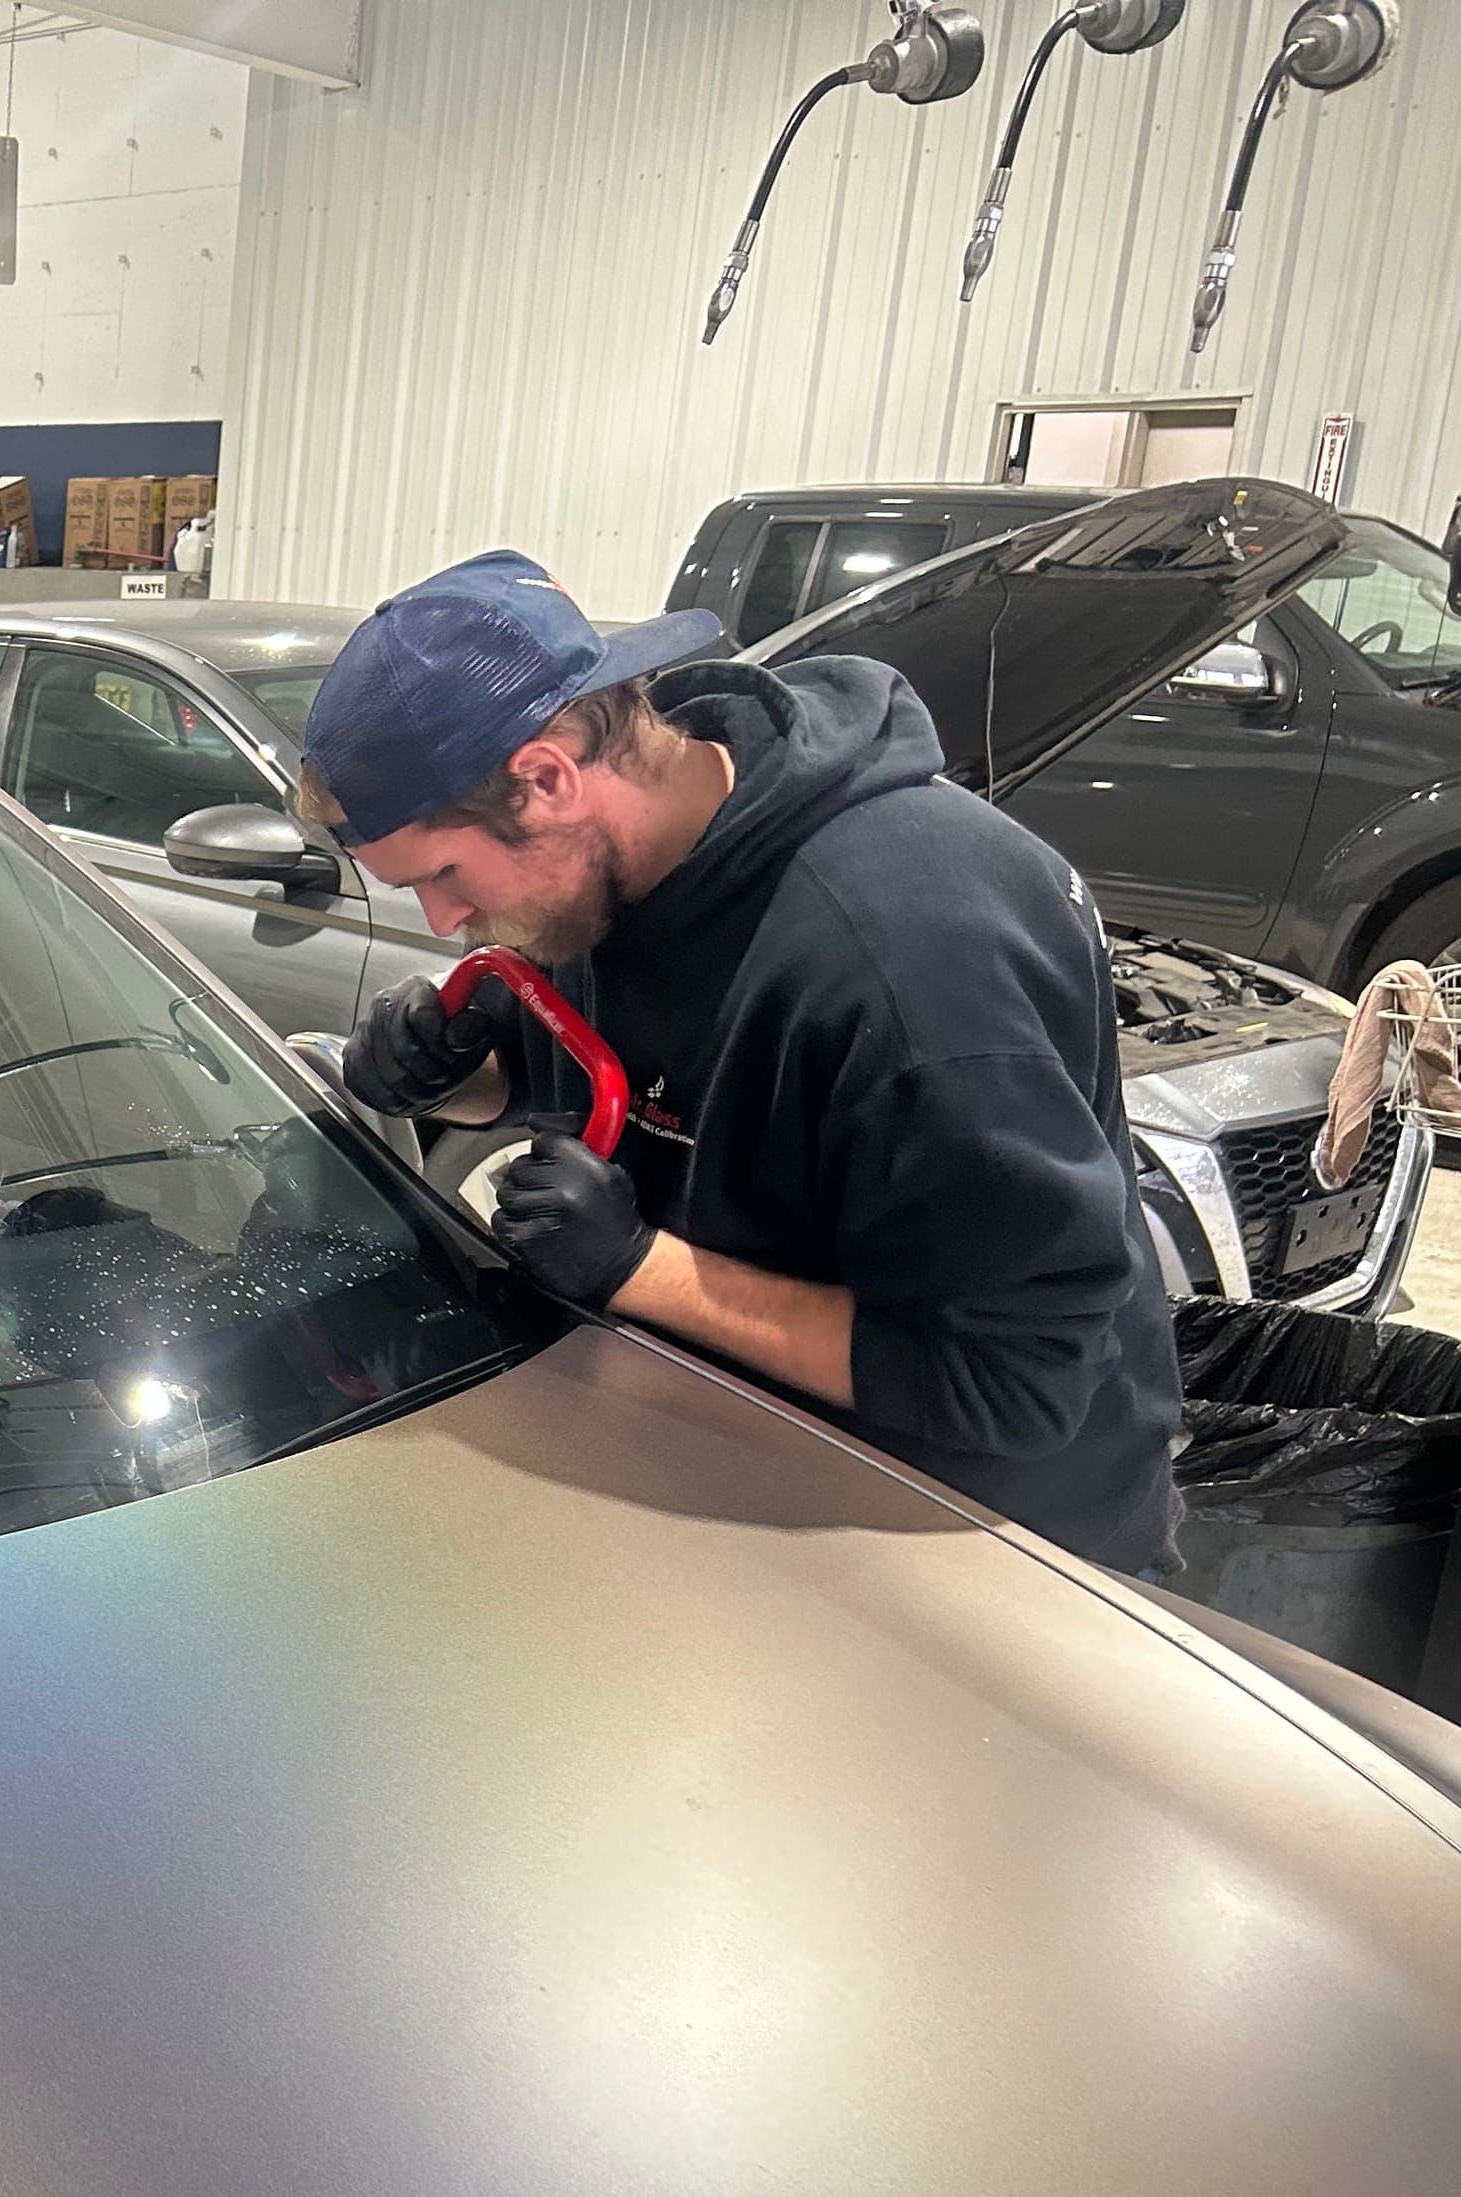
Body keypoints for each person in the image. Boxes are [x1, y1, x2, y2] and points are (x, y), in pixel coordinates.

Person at [302, 549, 1181, 1574]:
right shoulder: (632, 867)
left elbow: (1012, 1381)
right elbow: (661, 1092)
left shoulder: (907, 974)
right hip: (751, 1475)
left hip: (991, 1555)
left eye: (444, 875)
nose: (446, 921)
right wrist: (464, 1082)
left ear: (547, 776)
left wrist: (641, 1268)